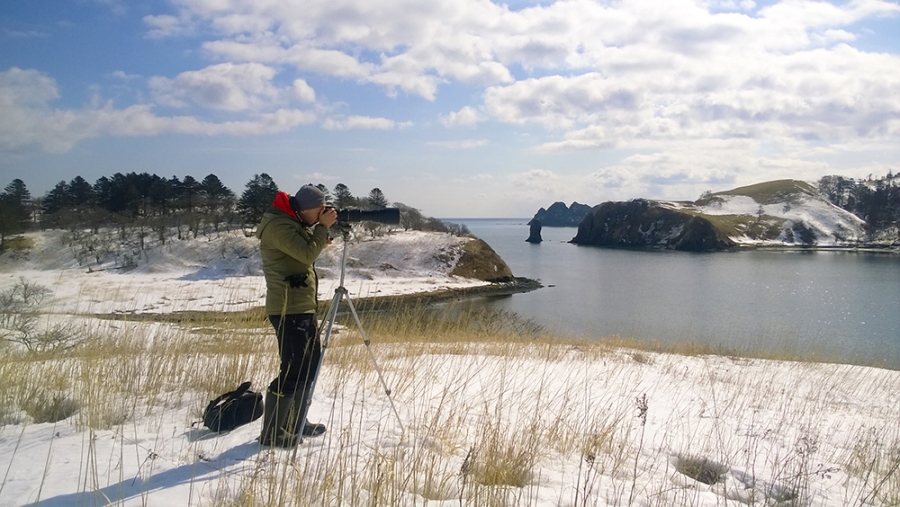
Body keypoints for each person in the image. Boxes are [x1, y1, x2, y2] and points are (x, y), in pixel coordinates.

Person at [255, 184, 338, 447]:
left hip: (301, 307)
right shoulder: (279, 226)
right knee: (292, 369)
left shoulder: (293, 223)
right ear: (304, 209)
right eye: (320, 211)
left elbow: (305, 252)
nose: (322, 214)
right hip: (287, 309)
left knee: (308, 366)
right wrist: (321, 230)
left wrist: (318, 234)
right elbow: (305, 254)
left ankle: (295, 423)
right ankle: (273, 433)